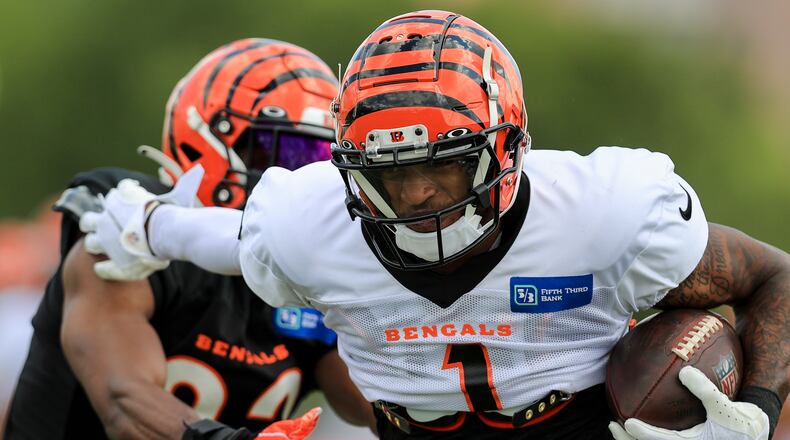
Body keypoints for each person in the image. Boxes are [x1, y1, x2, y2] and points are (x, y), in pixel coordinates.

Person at [80, 11, 789, 440]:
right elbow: (229, 240)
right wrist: (147, 226)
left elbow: (773, 277)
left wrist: (753, 415)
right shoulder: (308, 222)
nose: (417, 194)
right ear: (349, 170)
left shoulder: (606, 214)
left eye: (444, 168)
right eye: (390, 175)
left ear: (507, 149)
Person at [4, 38, 373, 440]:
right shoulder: (125, 231)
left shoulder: (304, 266)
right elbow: (124, 401)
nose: (295, 182)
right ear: (206, 142)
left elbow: (380, 406)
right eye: (283, 155)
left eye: (318, 163)